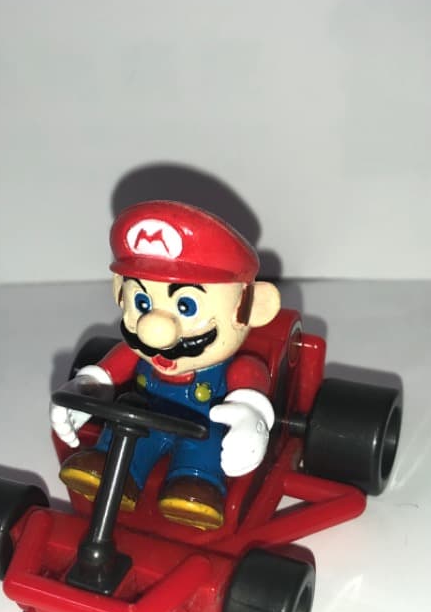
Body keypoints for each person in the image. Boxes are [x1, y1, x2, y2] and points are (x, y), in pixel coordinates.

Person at [50, 200, 282, 530]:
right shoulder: (133, 352)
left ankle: (196, 482)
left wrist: (250, 418)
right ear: (119, 291)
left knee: (204, 450)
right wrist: (83, 391)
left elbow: (251, 387)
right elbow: (104, 374)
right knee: (124, 427)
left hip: (204, 428)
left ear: (252, 308)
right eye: (142, 302)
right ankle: (115, 469)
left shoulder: (238, 368)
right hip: (142, 418)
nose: (154, 331)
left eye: (186, 306)